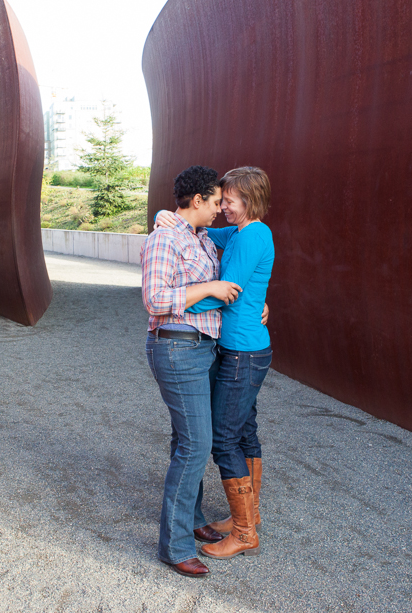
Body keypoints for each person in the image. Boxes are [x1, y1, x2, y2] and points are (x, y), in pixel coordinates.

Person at [156, 166, 274, 560]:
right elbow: (198, 228)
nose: (223, 206)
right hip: (242, 345)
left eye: (230, 200)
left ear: (250, 199)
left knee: (223, 438)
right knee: (244, 431)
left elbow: (228, 293)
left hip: (242, 350)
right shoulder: (238, 232)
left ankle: (244, 530)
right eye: (219, 199)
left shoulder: (254, 234)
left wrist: (185, 300)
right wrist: (165, 218)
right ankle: (249, 518)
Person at [140, 165, 242, 578]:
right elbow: (153, 298)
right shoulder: (165, 237)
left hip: (203, 349)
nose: (220, 208)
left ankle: (194, 517)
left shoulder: (199, 238)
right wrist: (209, 289)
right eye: (216, 201)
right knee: (196, 444)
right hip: (177, 348)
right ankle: (175, 544)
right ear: (197, 200)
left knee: (186, 438)